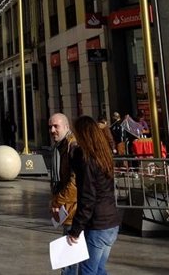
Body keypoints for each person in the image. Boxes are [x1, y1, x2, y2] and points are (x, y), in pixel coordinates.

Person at [62, 115, 122, 275]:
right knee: (99, 269)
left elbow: (88, 198)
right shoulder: (103, 155)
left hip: (98, 224)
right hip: (111, 222)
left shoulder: (87, 161)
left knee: (87, 271)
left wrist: (75, 230)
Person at [48, 113, 77, 231]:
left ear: (66, 127)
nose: (52, 130)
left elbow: (74, 183)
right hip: (67, 209)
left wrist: (57, 202)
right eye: (50, 127)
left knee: (72, 238)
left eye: (56, 126)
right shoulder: (60, 146)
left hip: (74, 210)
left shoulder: (72, 146)